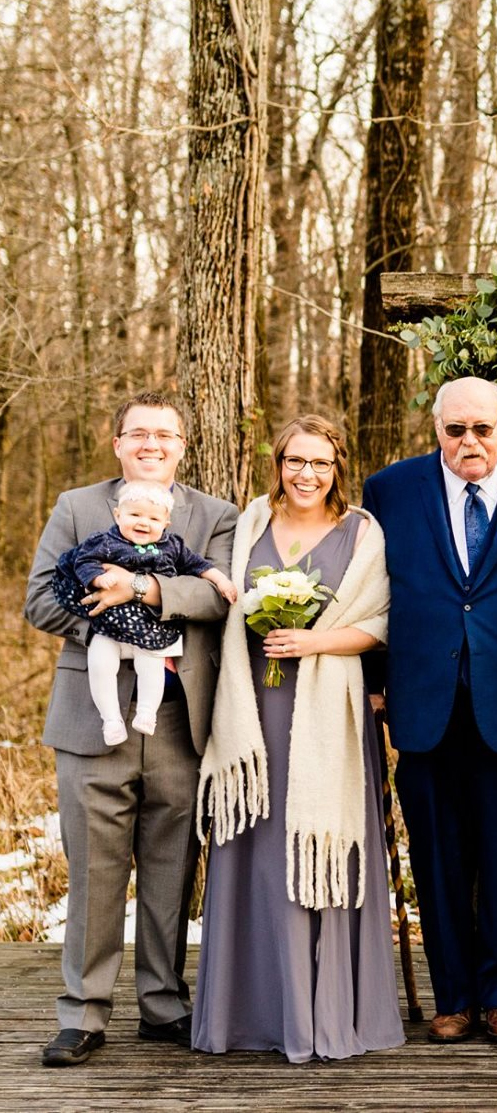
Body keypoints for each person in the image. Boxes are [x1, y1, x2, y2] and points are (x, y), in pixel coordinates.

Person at [25, 391, 239, 1066]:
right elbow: (40, 598)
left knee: (173, 866)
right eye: (137, 433)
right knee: (94, 868)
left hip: (179, 716)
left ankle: (163, 1004)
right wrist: (119, 624)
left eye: (165, 434)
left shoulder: (216, 515)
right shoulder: (76, 507)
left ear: (182, 444)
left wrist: (144, 592)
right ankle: (84, 1011)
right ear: (117, 442)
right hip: (92, 716)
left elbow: (217, 595)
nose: (151, 443)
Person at [361, 376, 497, 1044]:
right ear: (436, 427)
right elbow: (364, 594)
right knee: (439, 855)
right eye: (456, 429)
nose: (469, 442)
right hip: (422, 704)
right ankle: (453, 994)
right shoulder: (390, 492)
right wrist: (373, 680)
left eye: (482, 428)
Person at [192, 416, 404, 1061]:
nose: (306, 474)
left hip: (328, 720)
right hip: (251, 714)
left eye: (321, 463)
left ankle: (327, 1014)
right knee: (255, 851)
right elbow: (215, 590)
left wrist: (315, 641)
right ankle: (250, 1015)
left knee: (318, 848)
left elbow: (379, 620)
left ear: (339, 467)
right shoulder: (250, 522)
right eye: (295, 461)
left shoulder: (362, 532)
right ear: (278, 463)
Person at [52, 482, 238, 746]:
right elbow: (82, 561)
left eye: (153, 518)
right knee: (100, 663)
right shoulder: (104, 542)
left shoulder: (172, 547)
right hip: (108, 622)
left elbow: (200, 566)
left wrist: (223, 582)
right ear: (118, 516)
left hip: (149, 623)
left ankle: (147, 713)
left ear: (166, 522)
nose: (143, 523)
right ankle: (111, 719)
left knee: (152, 662)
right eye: (134, 515)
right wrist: (95, 579)